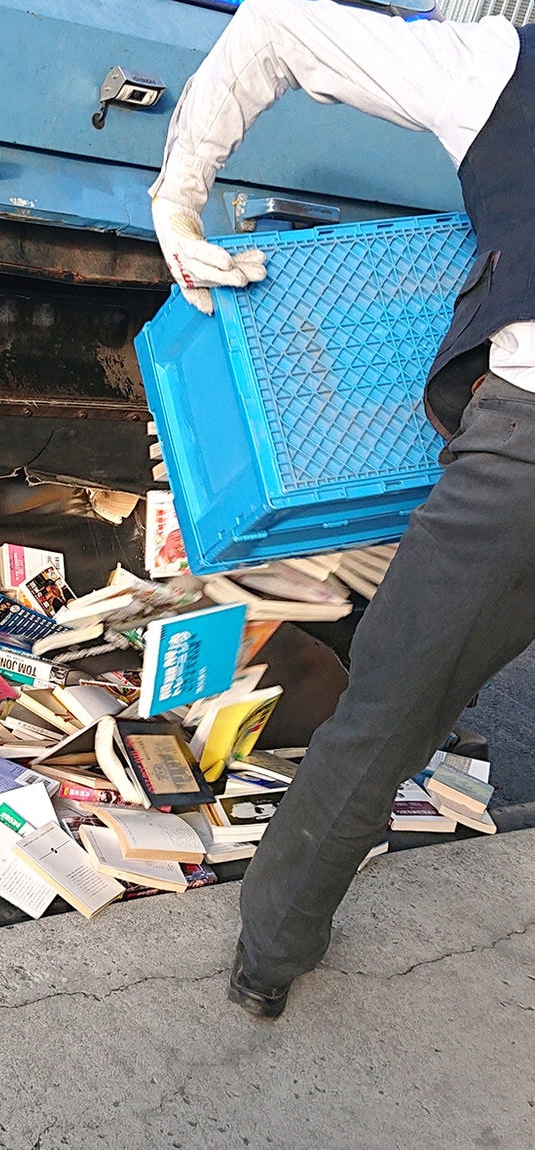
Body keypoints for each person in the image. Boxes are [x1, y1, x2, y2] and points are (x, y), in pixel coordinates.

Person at [149, 0, 533, 1018]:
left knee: (391, 706)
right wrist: (176, 209)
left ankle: (269, 961)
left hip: (523, 460)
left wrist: (177, 207)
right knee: (396, 702)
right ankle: (272, 954)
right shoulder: (498, 64)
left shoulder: (503, 66)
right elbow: (279, 22)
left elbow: (277, 25)